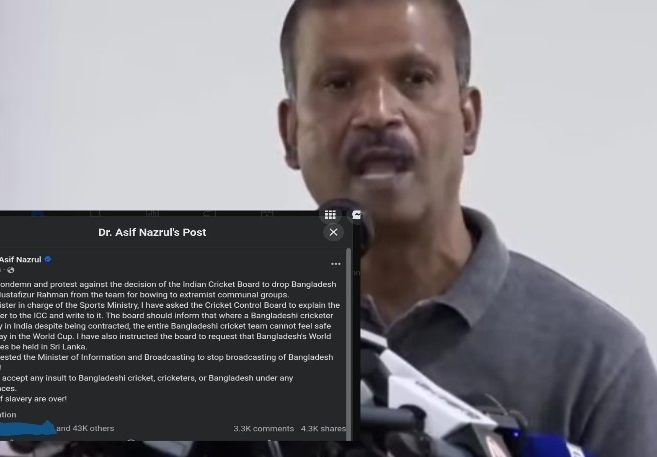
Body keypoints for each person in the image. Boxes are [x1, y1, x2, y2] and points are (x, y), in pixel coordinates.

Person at [276, 0, 657, 456]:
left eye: (415, 79)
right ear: (290, 131)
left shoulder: (598, 363)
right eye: (339, 83)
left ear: (469, 120)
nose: (378, 112)